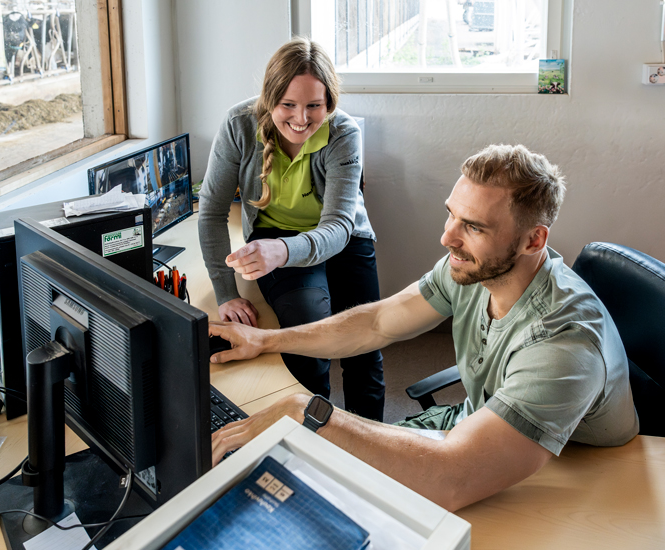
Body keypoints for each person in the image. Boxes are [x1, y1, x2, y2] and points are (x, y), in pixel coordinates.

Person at [210, 144, 640, 511]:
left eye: (472, 226)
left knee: (328, 486)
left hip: (559, 473)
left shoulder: (563, 344)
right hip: (475, 427)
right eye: (452, 215)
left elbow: (451, 476)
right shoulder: (473, 268)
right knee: (308, 473)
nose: (447, 238)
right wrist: (267, 339)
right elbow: (378, 322)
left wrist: (309, 412)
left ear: (533, 240)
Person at [198, 37, 385, 421]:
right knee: (307, 339)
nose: (301, 119)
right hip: (277, 237)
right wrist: (225, 293)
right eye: (288, 105)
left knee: (365, 344)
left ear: (329, 103)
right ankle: (315, 436)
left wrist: (281, 252)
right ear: (269, 99)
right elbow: (212, 213)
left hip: (343, 238)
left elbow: (337, 227)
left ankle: (371, 443)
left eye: (314, 106)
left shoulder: (344, 133)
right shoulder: (238, 125)